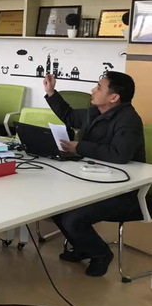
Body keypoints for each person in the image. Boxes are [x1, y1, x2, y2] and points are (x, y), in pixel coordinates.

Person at [44, 71, 147, 277]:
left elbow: (119, 155)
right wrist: (51, 93)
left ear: (114, 97)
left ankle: (101, 254)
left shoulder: (129, 120)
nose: (93, 90)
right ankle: (82, 247)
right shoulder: (95, 111)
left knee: (73, 217)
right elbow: (70, 116)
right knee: (54, 207)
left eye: (99, 87)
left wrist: (79, 147)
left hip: (124, 193)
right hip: (96, 181)